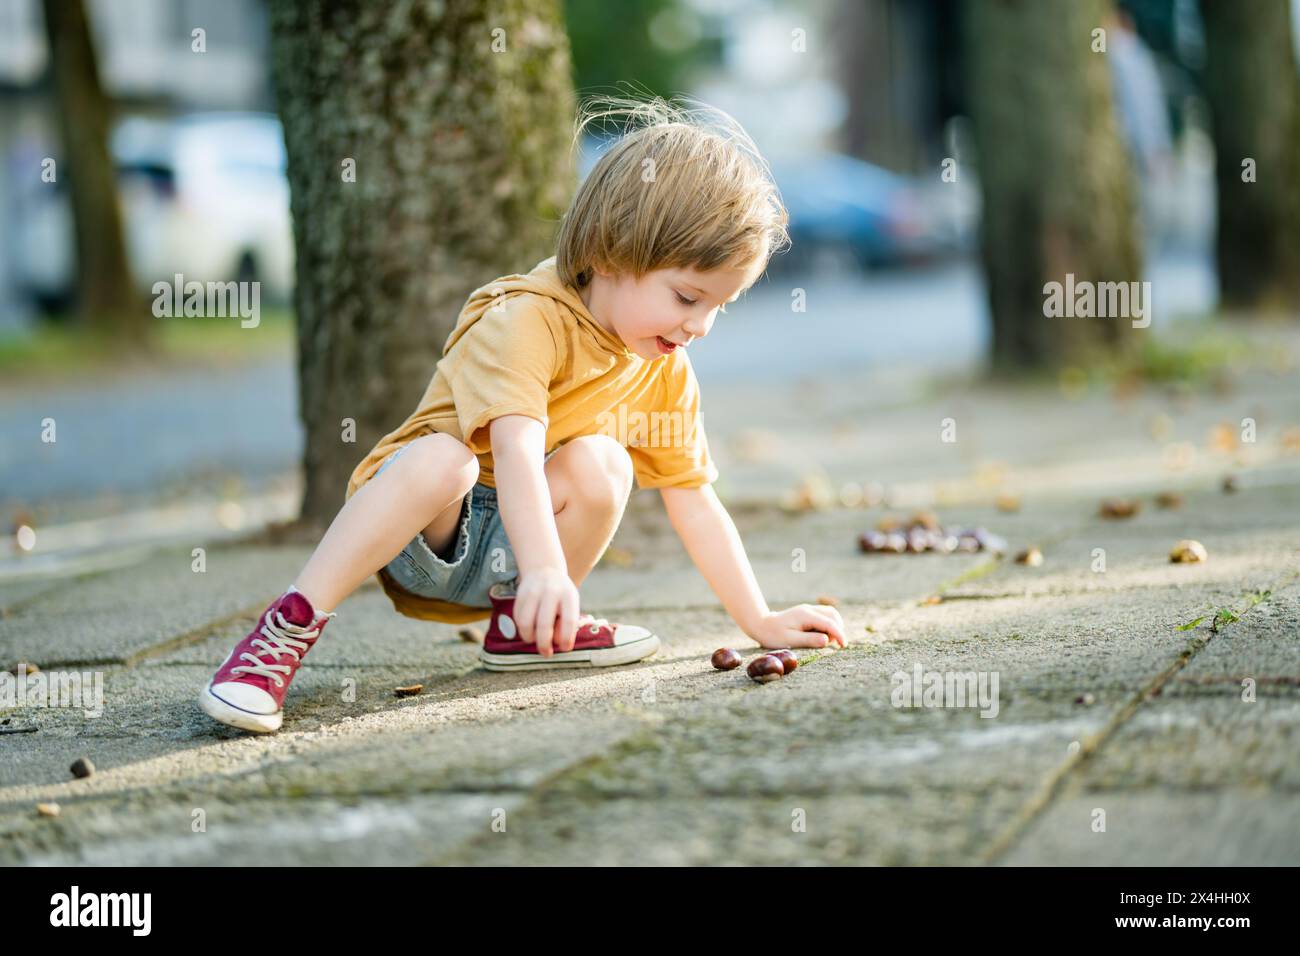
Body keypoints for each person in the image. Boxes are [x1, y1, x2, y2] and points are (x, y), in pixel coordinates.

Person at [199, 95, 846, 734]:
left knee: (604, 463)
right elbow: (513, 451)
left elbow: (695, 499)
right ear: (616, 251)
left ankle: (523, 629)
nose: (700, 326)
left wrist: (758, 620)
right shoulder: (526, 318)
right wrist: (542, 570)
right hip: (428, 534)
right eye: (687, 297)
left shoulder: (662, 363)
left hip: (519, 562)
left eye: (718, 308)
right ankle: (282, 633)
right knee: (444, 459)